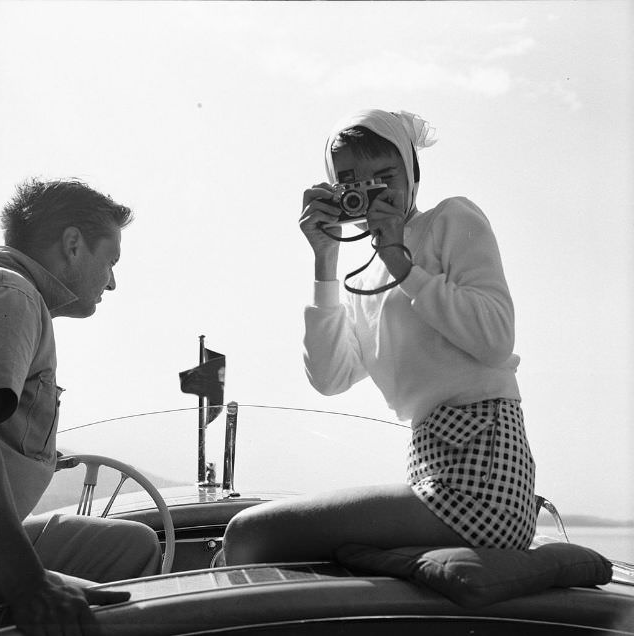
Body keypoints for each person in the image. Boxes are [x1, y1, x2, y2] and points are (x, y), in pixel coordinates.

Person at [223, 109, 537, 565]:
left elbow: (495, 339)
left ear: (413, 173)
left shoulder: (450, 218)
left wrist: (401, 261)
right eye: (351, 179)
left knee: (249, 534)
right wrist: (324, 258)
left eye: (385, 175)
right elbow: (330, 378)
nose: (371, 192)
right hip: (429, 463)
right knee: (276, 543)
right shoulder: (367, 273)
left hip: (485, 474)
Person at [0, 179, 162, 634]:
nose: (112, 280)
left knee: (134, 545)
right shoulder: (14, 295)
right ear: (72, 244)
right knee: (132, 611)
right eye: (110, 260)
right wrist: (29, 585)